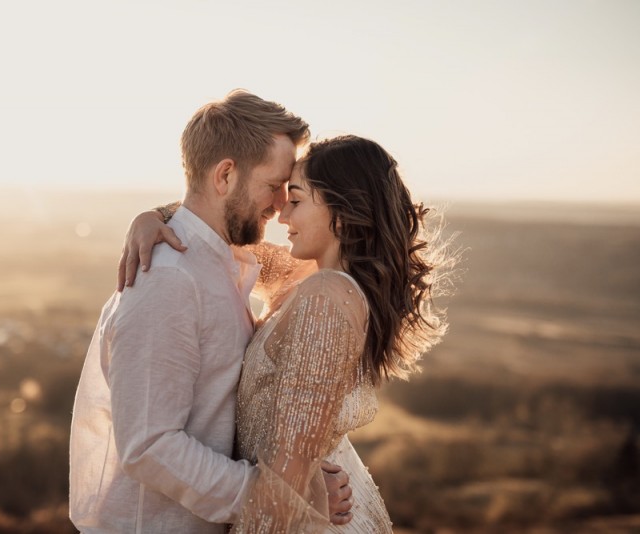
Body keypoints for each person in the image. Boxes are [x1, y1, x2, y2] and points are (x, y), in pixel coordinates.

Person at [125, 134, 453, 532]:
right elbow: (212, 231)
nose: (281, 215)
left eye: (295, 201)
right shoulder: (308, 277)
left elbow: (288, 475)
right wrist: (153, 217)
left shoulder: (328, 301)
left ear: (342, 213)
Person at [69, 90, 354, 534]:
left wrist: (300, 477)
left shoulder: (222, 262)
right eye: (273, 185)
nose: (280, 204)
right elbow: (149, 444)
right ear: (225, 175)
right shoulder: (169, 279)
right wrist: (278, 497)